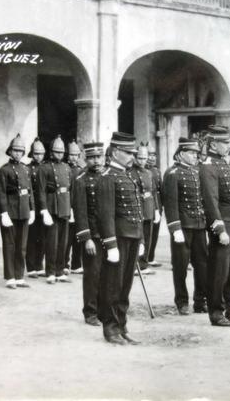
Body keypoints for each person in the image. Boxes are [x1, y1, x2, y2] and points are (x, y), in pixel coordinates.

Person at [96, 132, 143, 345]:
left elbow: (137, 211)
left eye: (133, 152)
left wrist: (140, 240)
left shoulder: (128, 176)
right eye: (127, 152)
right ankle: (111, 328)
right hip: (119, 238)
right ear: (115, 152)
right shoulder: (107, 178)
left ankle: (122, 325)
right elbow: (105, 214)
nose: (132, 156)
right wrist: (110, 244)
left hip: (132, 236)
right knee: (113, 285)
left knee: (125, 285)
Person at [200, 125, 230, 326]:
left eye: (227, 142)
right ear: (212, 144)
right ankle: (216, 312)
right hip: (223, 223)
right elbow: (211, 201)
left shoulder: (223, 163)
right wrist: (219, 229)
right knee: (219, 270)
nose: (227, 146)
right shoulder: (209, 166)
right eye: (224, 143)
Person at [163, 137, 208, 316]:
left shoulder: (198, 171)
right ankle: (182, 301)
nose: (195, 156)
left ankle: (200, 301)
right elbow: (170, 203)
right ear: (181, 154)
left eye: (196, 153)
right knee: (180, 266)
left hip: (199, 225)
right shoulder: (172, 173)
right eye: (191, 152)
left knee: (202, 265)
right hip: (183, 227)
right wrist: (175, 229)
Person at [0, 134, 36, 289]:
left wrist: (32, 209)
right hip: (10, 211)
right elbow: (0, 193)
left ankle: (19, 276)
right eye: (15, 150)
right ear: (10, 151)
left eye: (20, 151)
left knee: (22, 245)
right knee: (9, 244)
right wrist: (3, 212)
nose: (18, 153)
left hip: (24, 210)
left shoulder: (25, 169)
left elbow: (30, 190)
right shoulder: (3, 171)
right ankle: (10, 277)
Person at [72, 141, 107, 325]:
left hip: (109, 235)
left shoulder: (109, 176)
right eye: (92, 158)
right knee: (92, 275)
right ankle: (90, 312)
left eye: (98, 157)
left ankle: (104, 311)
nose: (96, 161)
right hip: (93, 236)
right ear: (86, 159)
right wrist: (87, 239)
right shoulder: (81, 180)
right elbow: (80, 212)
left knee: (108, 275)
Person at [36, 136, 73, 284]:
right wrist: (44, 210)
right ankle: (50, 272)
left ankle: (60, 270)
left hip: (64, 207)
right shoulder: (44, 168)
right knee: (51, 242)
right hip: (52, 207)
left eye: (62, 152)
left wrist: (71, 209)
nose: (59, 155)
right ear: (51, 153)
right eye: (57, 152)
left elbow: (70, 190)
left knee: (63, 242)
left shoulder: (67, 168)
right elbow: (41, 191)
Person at [132, 143, 160, 275]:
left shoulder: (149, 172)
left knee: (148, 236)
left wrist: (156, 209)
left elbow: (153, 191)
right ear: (135, 157)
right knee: (138, 236)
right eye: (140, 158)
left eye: (144, 158)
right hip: (138, 206)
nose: (142, 161)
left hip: (148, 206)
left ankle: (144, 263)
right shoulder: (131, 172)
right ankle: (134, 264)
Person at [25, 138, 46, 277]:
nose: (39, 156)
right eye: (36, 154)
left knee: (43, 237)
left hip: (44, 207)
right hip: (32, 207)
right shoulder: (27, 169)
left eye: (41, 154)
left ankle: (40, 265)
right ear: (32, 154)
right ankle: (31, 267)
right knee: (31, 237)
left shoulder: (46, 168)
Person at [65, 141, 84, 275]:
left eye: (76, 155)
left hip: (79, 208)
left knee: (79, 238)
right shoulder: (65, 169)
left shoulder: (82, 170)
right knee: (66, 239)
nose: (74, 157)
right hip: (67, 208)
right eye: (71, 155)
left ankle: (76, 264)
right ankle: (64, 264)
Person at [145, 143, 163, 267]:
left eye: (154, 155)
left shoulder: (156, 171)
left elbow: (161, 189)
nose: (152, 158)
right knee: (146, 233)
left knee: (155, 233)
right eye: (149, 155)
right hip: (147, 204)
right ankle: (143, 259)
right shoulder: (143, 171)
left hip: (158, 204)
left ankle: (151, 257)